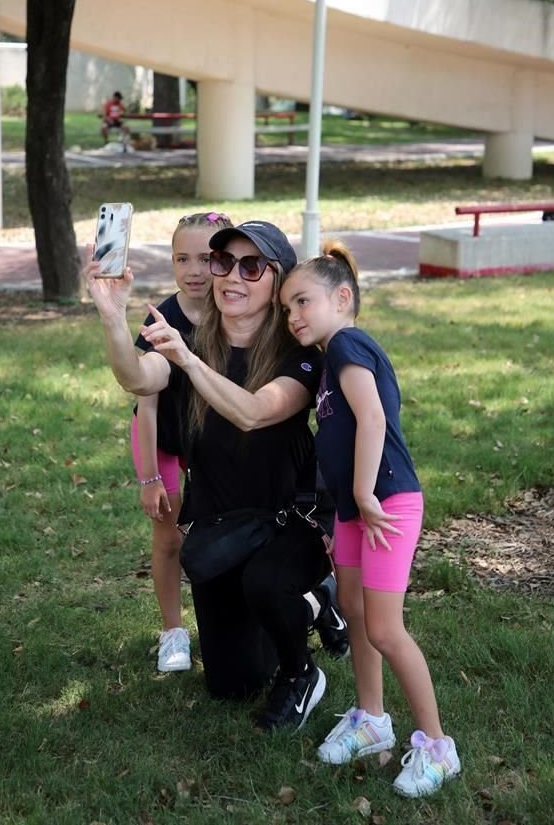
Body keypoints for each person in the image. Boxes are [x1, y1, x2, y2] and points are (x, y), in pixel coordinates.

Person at [84, 221, 344, 732]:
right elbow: (138, 378)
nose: (229, 276)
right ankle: (309, 608)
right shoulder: (192, 341)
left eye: (251, 267)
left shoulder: (301, 356)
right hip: (222, 524)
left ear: (277, 281)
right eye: (222, 263)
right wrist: (113, 319)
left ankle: (303, 669)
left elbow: (251, 411)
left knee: (266, 583)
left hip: (289, 519)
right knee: (233, 683)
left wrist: (187, 358)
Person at [280, 241, 461, 796]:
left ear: (342, 297)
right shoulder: (332, 357)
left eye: (303, 301)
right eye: (287, 309)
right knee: (355, 612)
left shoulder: (349, 343)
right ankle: (371, 719)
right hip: (357, 511)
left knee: (384, 627)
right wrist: (344, 508)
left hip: (385, 505)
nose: (293, 317)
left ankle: (437, 747)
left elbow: (374, 417)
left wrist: (362, 493)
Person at [131, 211, 232, 673]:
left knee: (226, 529)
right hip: (166, 440)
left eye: (206, 258)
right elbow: (146, 407)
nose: (194, 270)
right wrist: (150, 477)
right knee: (168, 536)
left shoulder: (235, 310)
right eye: (181, 258)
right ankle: (173, 630)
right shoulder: (160, 319)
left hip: (213, 441)